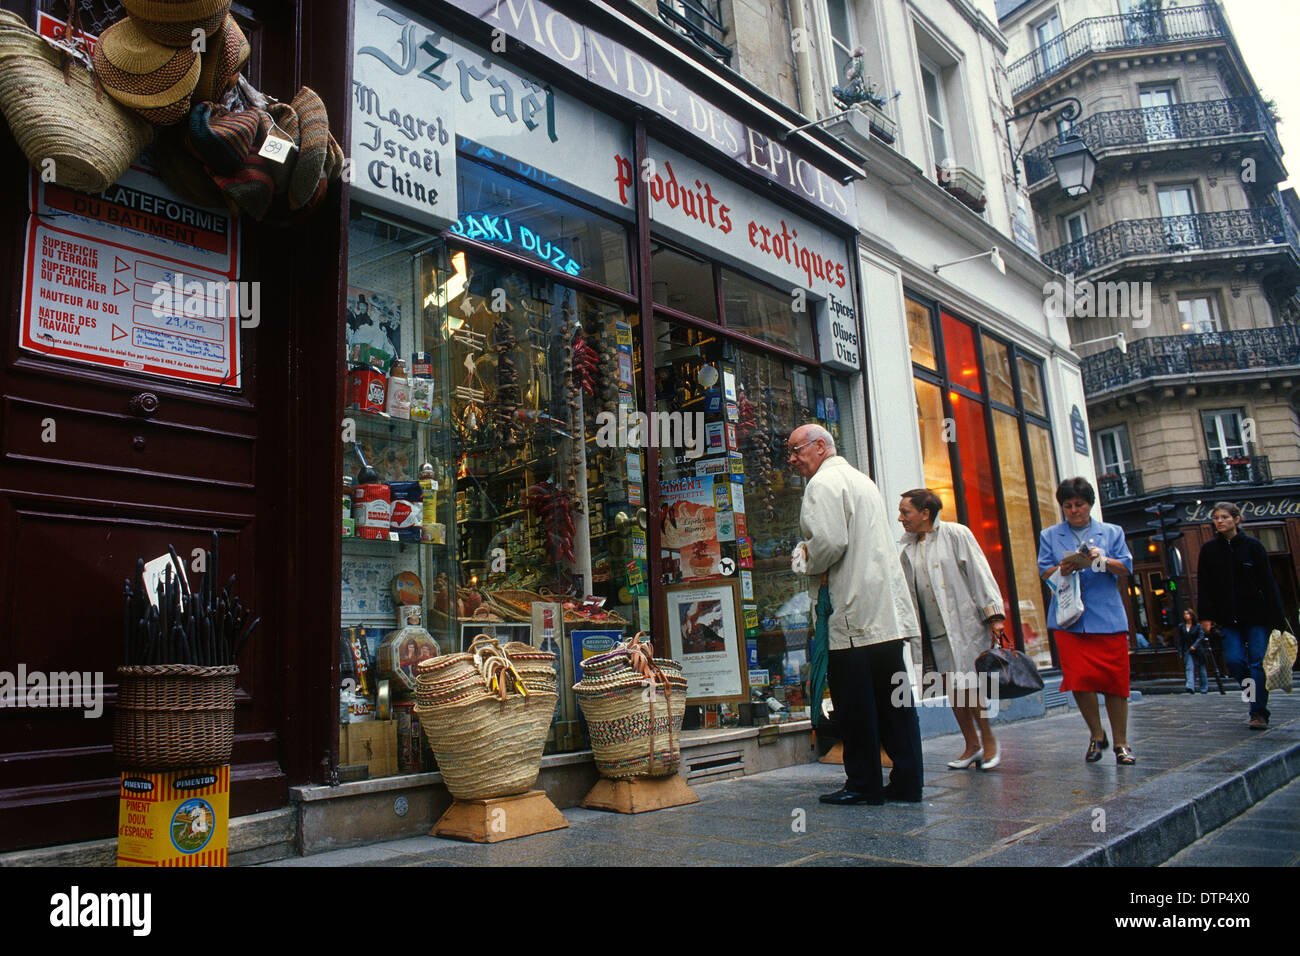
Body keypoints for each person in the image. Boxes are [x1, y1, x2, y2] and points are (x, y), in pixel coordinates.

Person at [787, 424, 923, 805]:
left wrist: (802, 557)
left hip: (852, 617)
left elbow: (829, 543)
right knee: (896, 701)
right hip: (883, 616)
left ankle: (864, 784)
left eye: (797, 450)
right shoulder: (862, 480)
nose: (793, 459)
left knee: (855, 704)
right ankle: (908, 781)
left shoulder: (822, 485)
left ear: (820, 447)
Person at [897, 489, 1007, 771]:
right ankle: (971, 745)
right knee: (953, 689)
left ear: (925, 513)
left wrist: (994, 616)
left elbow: (980, 573)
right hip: (933, 633)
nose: (900, 518)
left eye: (905, 512)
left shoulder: (956, 534)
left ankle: (989, 740)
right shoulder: (908, 549)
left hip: (963, 625)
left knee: (971, 686)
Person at [1038, 477, 1136, 764]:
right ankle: (1096, 735)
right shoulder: (1050, 535)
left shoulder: (1111, 532)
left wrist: (1100, 560)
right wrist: (1064, 567)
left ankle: (1122, 743)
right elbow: (1045, 571)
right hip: (1069, 620)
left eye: (1079, 505)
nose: (1073, 511)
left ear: (1090, 504)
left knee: (1115, 682)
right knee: (1080, 680)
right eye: (1067, 506)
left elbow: (1125, 567)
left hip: (1106, 618)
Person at [1196, 501, 1286, 729]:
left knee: (1257, 663)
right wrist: (1205, 616)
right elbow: (1204, 586)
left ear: (1236, 519)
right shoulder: (1209, 550)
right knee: (1235, 662)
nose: (1219, 521)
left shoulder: (1253, 547)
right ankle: (1253, 696)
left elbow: (1268, 582)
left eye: (1224, 517)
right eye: (1216, 517)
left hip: (1257, 615)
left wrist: (1277, 617)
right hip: (1227, 617)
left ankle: (1258, 712)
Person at [1177, 609, 1208, 694]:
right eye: (1185, 614)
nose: (1186, 615)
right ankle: (1190, 686)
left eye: (1187, 614)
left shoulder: (1197, 626)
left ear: (1191, 615)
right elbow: (1180, 640)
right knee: (1189, 667)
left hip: (1197, 649)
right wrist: (1180, 652)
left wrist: (1195, 645)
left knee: (1201, 669)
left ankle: (1204, 688)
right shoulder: (1181, 626)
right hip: (1187, 649)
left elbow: (1201, 636)